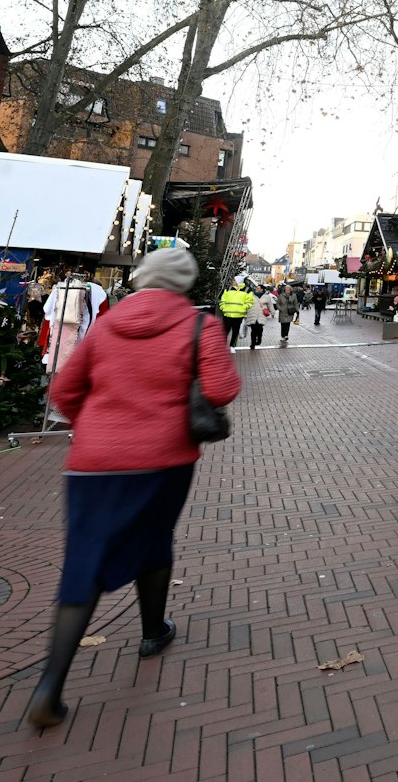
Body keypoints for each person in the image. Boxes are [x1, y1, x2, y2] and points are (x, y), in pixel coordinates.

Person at [26, 246, 239, 729]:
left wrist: (98, 427)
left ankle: (51, 685)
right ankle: (151, 630)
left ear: (142, 278)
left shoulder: (105, 324)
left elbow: (63, 390)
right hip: (162, 460)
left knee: (84, 561)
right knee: (155, 535)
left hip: (90, 463)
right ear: (184, 282)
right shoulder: (198, 326)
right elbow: (223, 388)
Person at [218, 279, 255, 348]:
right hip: (227, 314)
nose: (232, 281)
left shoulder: (247, 290)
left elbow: (250, 302)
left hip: (239, 315)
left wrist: (243, 308)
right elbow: (223, 299)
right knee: (224, 332)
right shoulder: (228, 289)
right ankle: (222, 347)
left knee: (235, 332)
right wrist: (223, 307)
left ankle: (232, 346)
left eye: (234, 280)